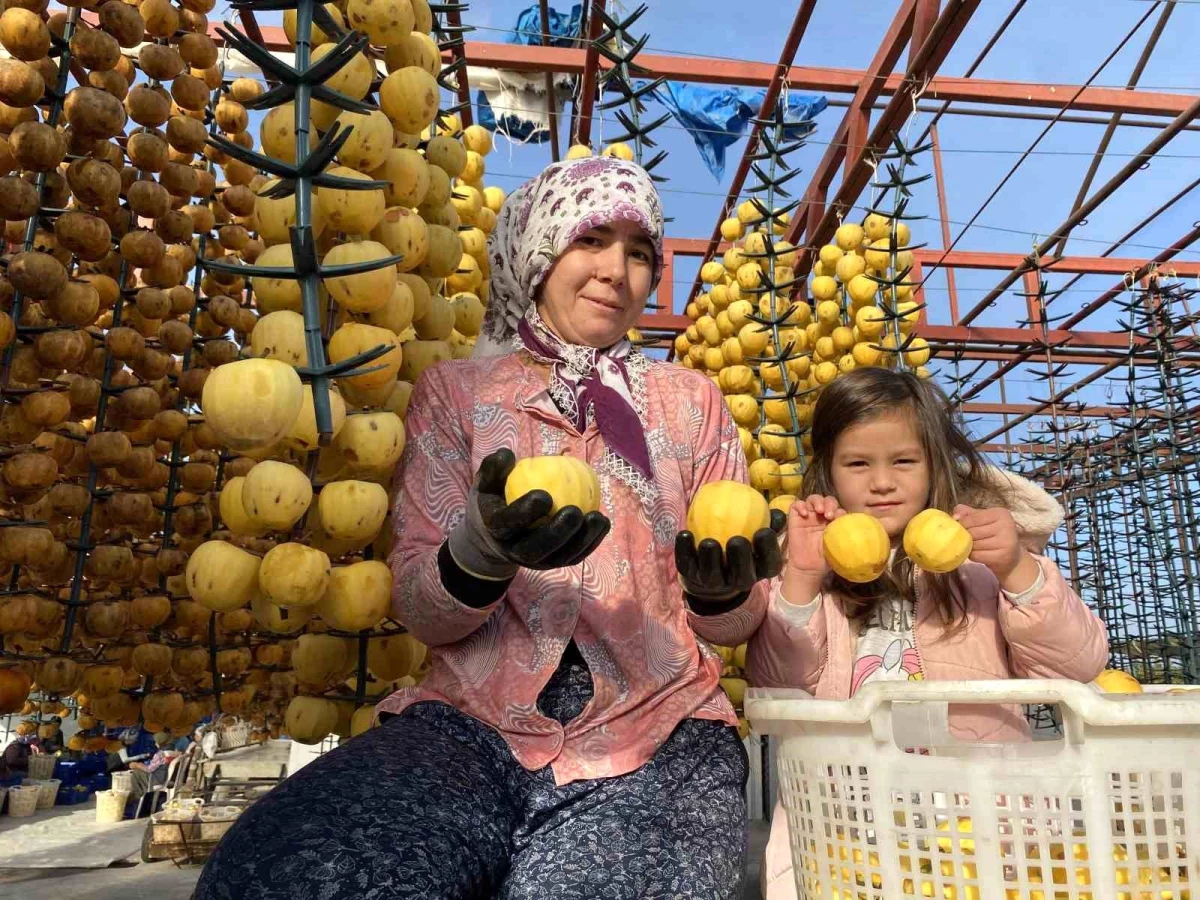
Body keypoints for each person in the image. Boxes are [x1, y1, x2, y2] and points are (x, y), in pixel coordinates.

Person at [194, 156, 785, 900]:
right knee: (284, 872)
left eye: (640, 252)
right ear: (539, 249)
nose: (617, 270)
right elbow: (421, 608)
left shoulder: (690, 403)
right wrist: (482, 552)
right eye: (592, 240)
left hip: (657, 731)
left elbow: (736, 627)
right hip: (470, 725)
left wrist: (723, 592)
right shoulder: (460, 395)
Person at [747, 367, 1110, 899]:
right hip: (846, 835)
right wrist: (801, 578)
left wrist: (1017, 569)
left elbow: (1077, 665)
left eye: (903, 461)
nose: (882, 482)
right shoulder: (811, 563)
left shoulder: (982, 565)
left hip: (981, 831)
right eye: (857, 464)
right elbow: (779, 685)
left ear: (934, 465)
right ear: (827, 472)